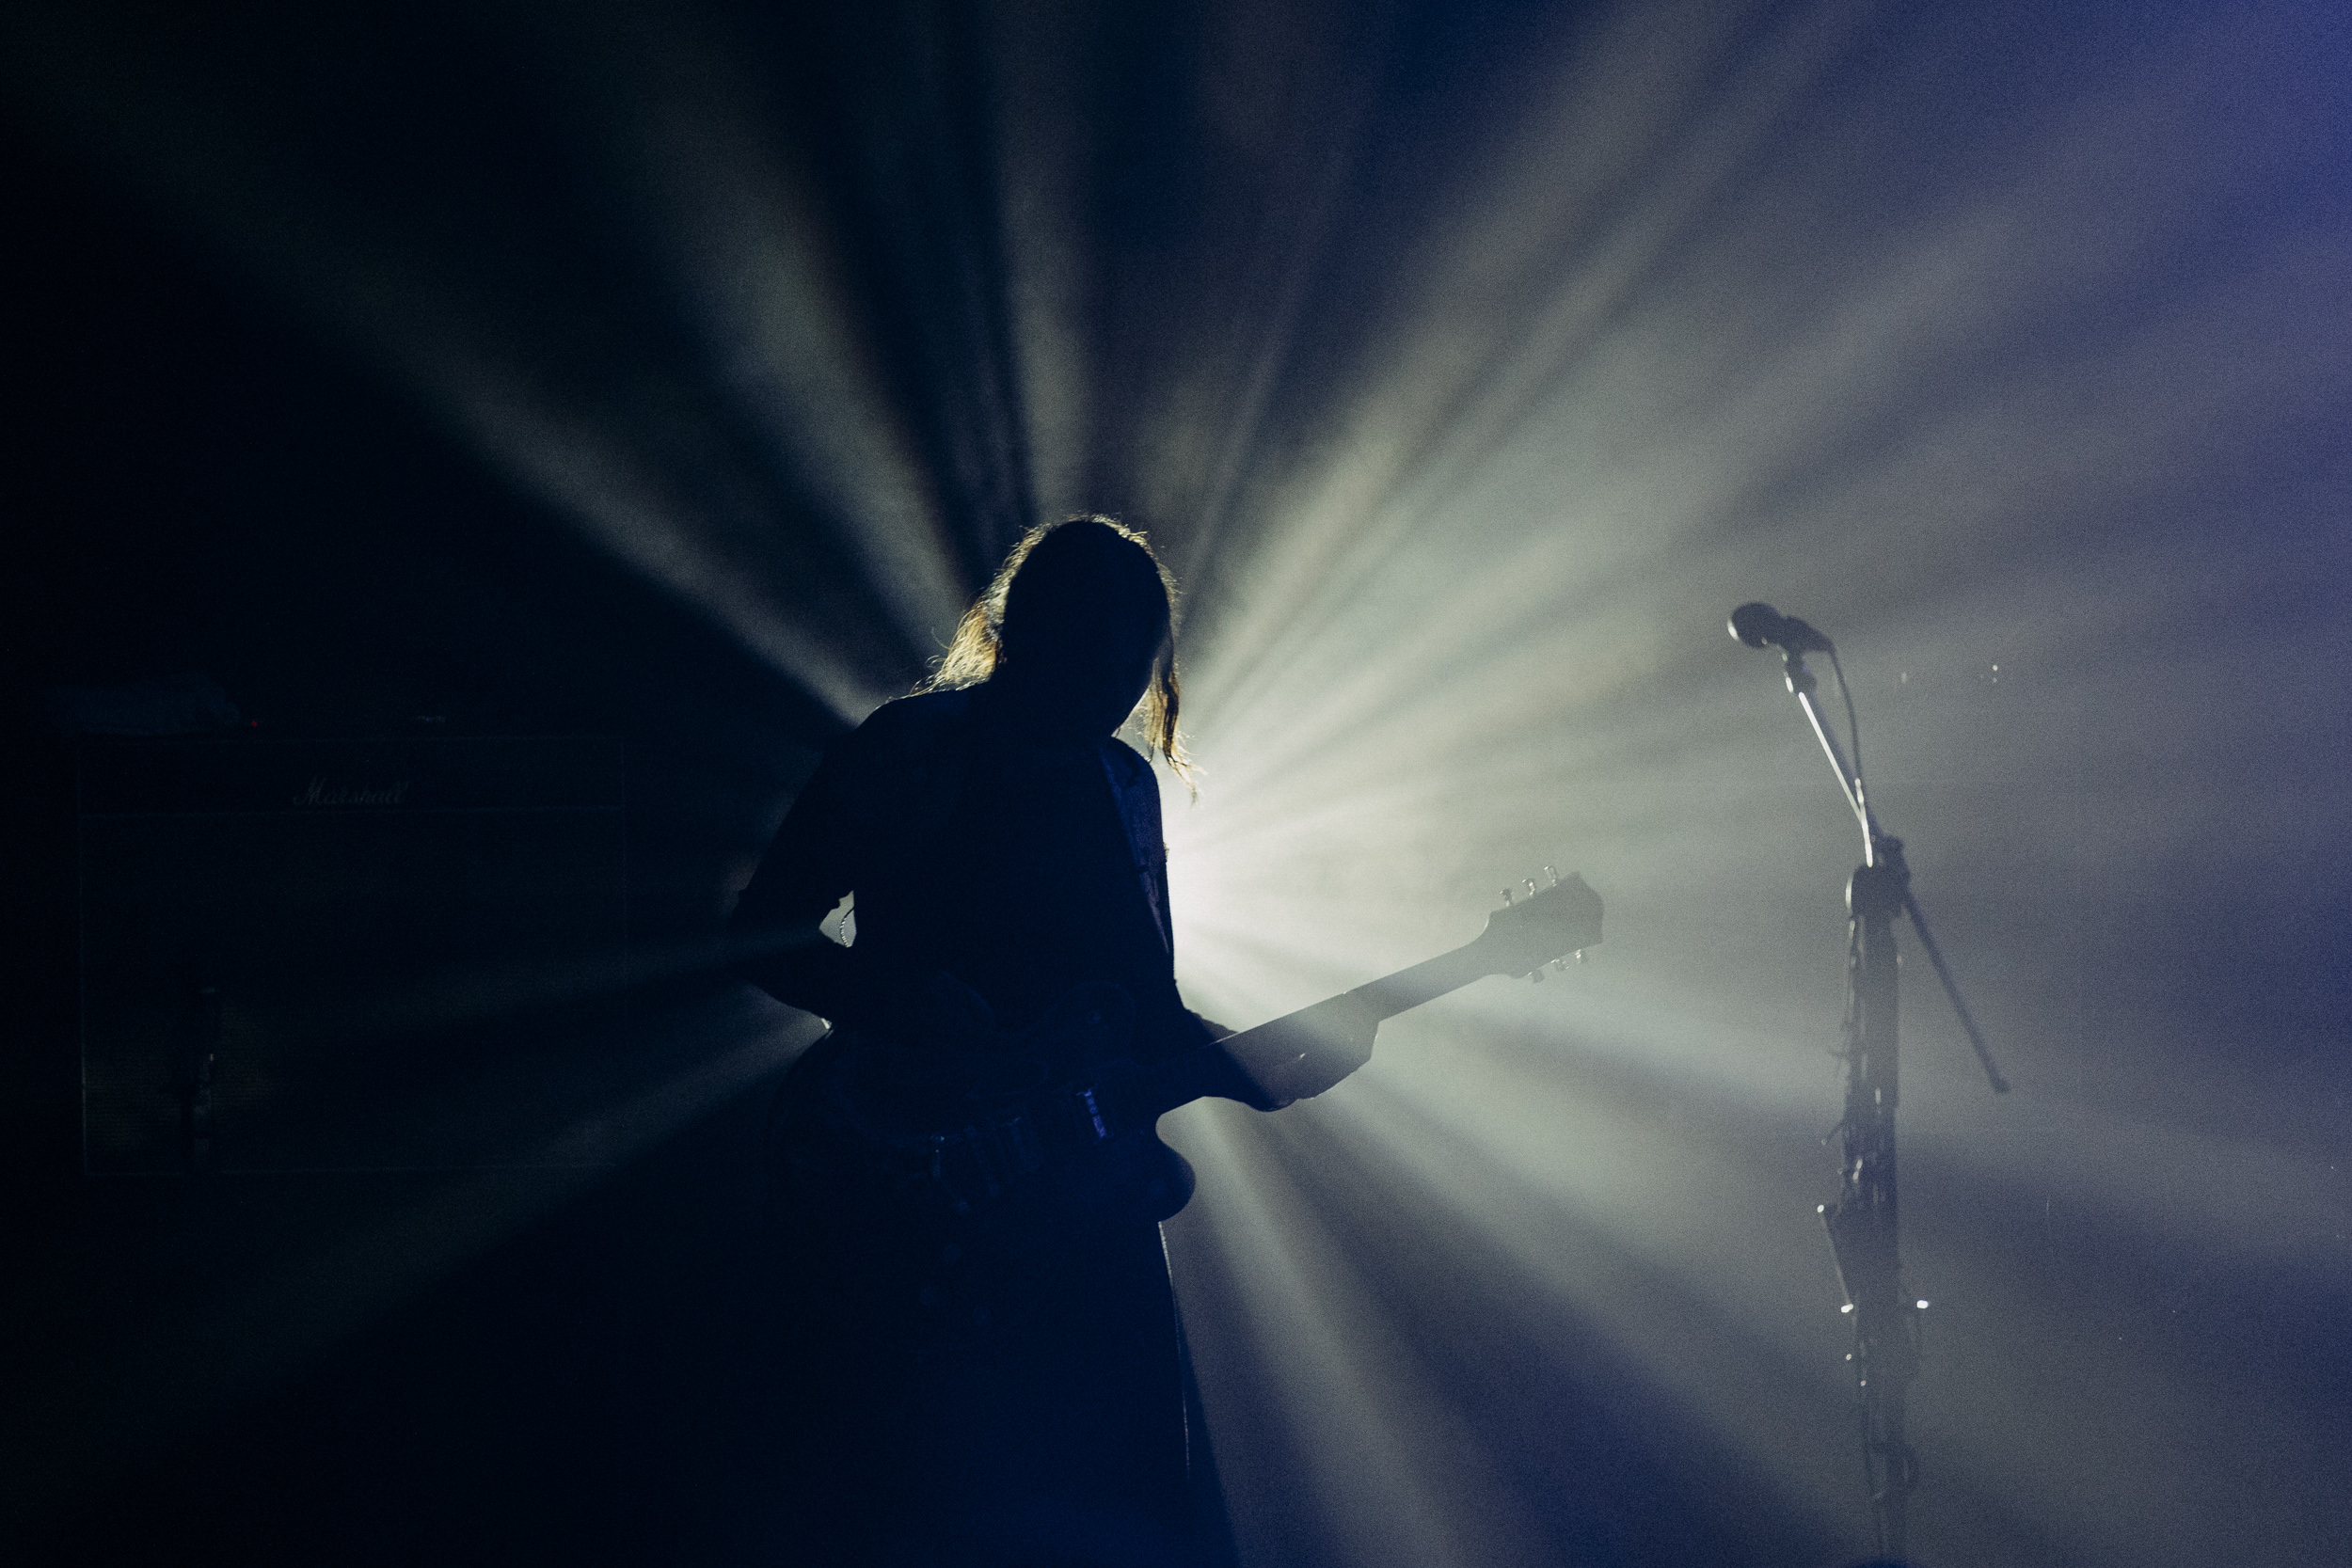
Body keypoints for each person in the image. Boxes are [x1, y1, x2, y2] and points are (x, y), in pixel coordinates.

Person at [727, 516, 1375, 1566]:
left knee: (1118, 1513)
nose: (1111, 690)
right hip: (912, 1190)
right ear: (1024, 635)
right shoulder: (911, 747)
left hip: (1079, 1206)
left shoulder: (1123, 785)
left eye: (1131, 667)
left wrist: (1251, 1069)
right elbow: (758, 932)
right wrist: (891, 998)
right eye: (1092, 658)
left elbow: (1144, 1013)